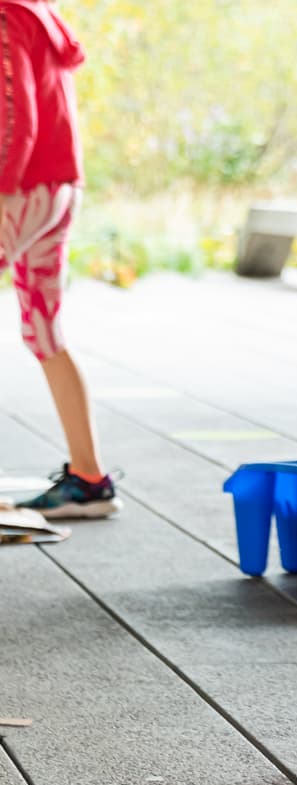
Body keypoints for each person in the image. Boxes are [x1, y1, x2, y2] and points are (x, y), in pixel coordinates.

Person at [4, 1, 118, 518]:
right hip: (58, 188)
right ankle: (89, 478)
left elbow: (16, 120)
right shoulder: (38, 14)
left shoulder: (6, 16)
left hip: (20, 191)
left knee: (46, 333)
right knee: (46, 334)